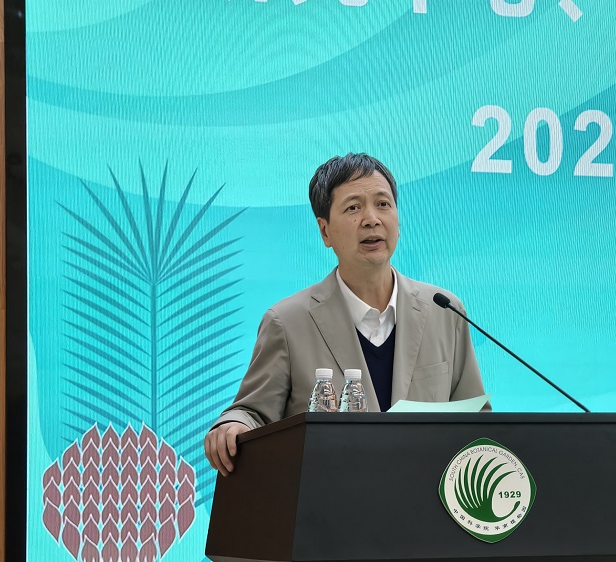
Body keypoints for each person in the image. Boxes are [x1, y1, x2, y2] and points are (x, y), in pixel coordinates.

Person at [204, 153, 488, 475]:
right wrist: (232, 426)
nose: (371, 219)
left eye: (383, 204)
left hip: (426, 497)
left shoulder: (444, 310)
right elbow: (251, 413)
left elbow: (477, 420)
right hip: (329, 499)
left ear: (398, 221)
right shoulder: (287, 322)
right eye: (353, 208)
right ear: (324, 231)